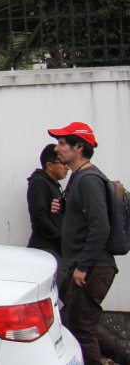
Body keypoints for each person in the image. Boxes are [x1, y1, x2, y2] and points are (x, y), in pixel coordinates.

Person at [51, 121, 130, 365]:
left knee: (82, 330)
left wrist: (83, 266)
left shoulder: (89, 179)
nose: (57, 148)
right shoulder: (78, 178)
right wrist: (64, 207)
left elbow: (100, 227)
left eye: (63, 143)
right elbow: (85, 221)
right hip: (87, 266)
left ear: (79, 148)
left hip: (93, 267)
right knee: (80, 325)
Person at [26, 143, 67, 258]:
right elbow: (39, 216)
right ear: (49, 165)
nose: (67, 167)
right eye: (63, 163)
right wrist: (59, 237)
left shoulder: (54, 185)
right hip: (45, 248)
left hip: (56, 248)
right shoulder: (39, 182)